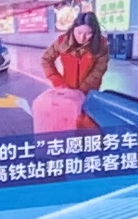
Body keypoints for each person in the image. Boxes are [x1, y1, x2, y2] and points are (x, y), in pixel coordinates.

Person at [35, 8, 109, 136]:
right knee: (67, 123)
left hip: (88, 93)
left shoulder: (101, 45)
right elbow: (46, 59)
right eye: (79, 32)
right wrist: (59, 83)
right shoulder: (62, 42)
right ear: (73, 28)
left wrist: (81, 92)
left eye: (88, 34)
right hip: (66, 92)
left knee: (87, 127)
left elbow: (98, 71)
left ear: (95, 32)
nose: (82, 37)